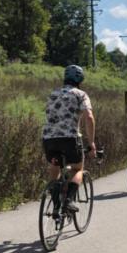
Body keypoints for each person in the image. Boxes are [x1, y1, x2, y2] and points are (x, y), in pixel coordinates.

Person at [42, 65, 96, 213]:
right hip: (70, 138)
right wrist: (91, 142)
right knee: (77, 168)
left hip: (49, 139)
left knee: (54, 169)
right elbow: (89, 117)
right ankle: (69, 201)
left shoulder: (52, 94)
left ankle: (56, 207)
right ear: (80, 81)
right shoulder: (81, 94)